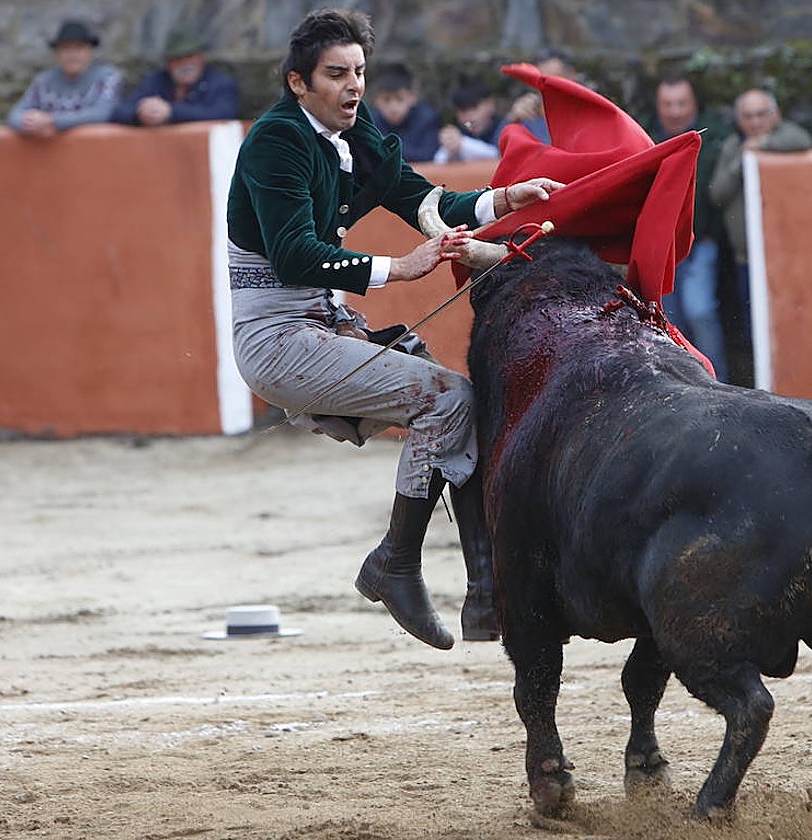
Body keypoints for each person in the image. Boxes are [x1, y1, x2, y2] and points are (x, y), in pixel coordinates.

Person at [225, 8, 562, 650]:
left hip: (320, 323)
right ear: (299, 83)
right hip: (276, 338)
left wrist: (505, 199)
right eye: (335, 74)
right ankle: (399, 563)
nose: (353, 86)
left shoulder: (357, 132)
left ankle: (482, 594)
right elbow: (294, 253)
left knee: (460, 405)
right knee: (449, 398)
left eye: (358, 72)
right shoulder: (275, 140)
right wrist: (399, 269)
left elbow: (425, 202)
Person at [709, 89, 811, 343]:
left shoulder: (785, 135)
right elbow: (717, 194)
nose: (755, 123)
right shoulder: (734, 145)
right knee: (754, 329)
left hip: (787, 255)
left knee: (794, 324)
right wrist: (742, 161)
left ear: (775, 115)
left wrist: (763, 146)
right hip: (747, 259)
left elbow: (802, 140)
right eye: (747, 116)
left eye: (760, 115)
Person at [647, 75, 731, 383]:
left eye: (681, 103)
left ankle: (716, 384)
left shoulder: (717, 136)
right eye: (667, 104)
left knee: (700, 311)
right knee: (669, 320)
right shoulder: (646, 135)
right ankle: (681, 385)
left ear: (694, 103)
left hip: (700, 244)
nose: (675, 111)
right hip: (662, 249)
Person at [8, 19, 124, 137]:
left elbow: (102, 114)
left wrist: (52, 121)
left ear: (90, 52)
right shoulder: (43, 80)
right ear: (57, 54)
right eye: (66, 48)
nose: (72, 55)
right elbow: (14, 115)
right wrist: (32, 126)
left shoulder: (108, 77)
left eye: (79, 48)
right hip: (49, 151)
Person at [112, 24, 239, 126]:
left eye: (190, 56)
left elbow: (224, 114)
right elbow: (119, 112)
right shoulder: (156, 80)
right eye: (178, 58)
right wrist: (140, 114)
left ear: (201, 57)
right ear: (168, 62)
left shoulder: (220, 84)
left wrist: (171, 112)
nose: (185, 64)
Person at [503, 48, 579, 144]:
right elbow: (498, 151)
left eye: (555, 79)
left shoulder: (589, 112)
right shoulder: (528, 114)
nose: (548, 88)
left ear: (572, 75)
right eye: (541, 81)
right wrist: (512, 121)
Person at [369, 62, 442, 162]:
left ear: (412, 97)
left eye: (399, 99)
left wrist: (388, 148)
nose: (393, 107)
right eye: (387, 100)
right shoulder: (370, 122)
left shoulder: (428, 119)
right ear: (377, 101)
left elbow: (429, 155)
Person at [433, 75, 503, 163]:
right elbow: (437, 163)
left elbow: (499, 156)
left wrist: (463, 144)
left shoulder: (505, 128)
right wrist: (451, 150)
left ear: (490, 104)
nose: (470, 117)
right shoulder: (461, 131)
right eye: (463, 111)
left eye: (474, 107)